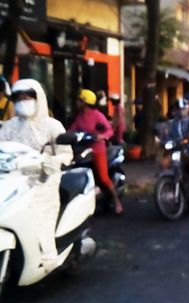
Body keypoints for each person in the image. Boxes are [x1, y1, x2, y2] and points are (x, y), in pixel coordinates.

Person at [0, 79, 72, 270]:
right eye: (19, 98)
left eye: (27, 97)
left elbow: (66, 154)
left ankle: (47, 256)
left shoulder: (53, 126)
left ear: (38, 98)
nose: (23, 101)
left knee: (41, 217)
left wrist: (51, 162)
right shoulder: (8, 127)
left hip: (44, 180)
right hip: (12, 179)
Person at [70, 89, 124, 215]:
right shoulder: (80, 117)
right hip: (83, 150)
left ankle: (117, 202)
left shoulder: (97, 115)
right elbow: (72, 130)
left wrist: (101, 136)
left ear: (85, 102)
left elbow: (109, 131)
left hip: (97, 150)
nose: (77, 103)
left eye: (80, 100)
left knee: (104, 178)